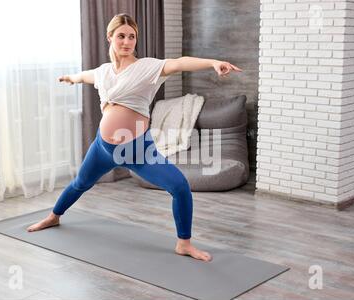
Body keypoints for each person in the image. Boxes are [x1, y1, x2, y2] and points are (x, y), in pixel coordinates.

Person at [27, 13, 242, 262]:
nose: (127, 42)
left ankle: (184, 243)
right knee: (80, 184)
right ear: (110, 37)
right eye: (121, 36)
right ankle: (54, 216)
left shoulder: (147, 67)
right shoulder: (104, 72)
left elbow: (179, 62)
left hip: (138, 150)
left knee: (180, 187)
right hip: (103, 147)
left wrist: (212, 62)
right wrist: (71, 78)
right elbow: (85, 76)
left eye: (132, 37)